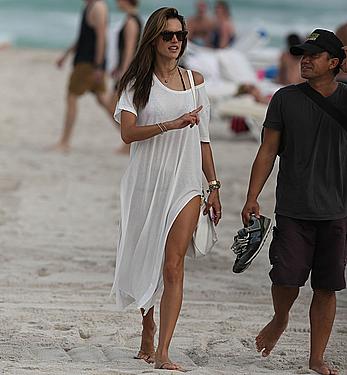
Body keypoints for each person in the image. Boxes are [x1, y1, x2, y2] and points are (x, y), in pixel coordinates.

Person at [110, 7, 222, 371]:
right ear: (153, 39)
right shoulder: (136, 83)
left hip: (185, 182)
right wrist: (169, 125)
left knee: (173, 267)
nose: (175, 41)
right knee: (145, 257)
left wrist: (214, 186)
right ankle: (147, 325)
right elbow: (128, 133)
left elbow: (203, 140)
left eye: (180, 35)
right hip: (146, 182)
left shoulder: (195, 81)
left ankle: (164, 350)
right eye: (167, 35)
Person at [241, 29, 346, 375]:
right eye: (303, 54)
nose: (305, 59)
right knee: (284, 277)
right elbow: (268, 150)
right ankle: (281, 317)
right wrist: (252, 196)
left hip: (338, 210)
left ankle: (316, 357)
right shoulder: (284, 99)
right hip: (293, 206)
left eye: (315, 55)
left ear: (334, 63)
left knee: (327, 286)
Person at [54, 0, 112, 152]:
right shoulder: (89, 6)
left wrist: (99, 66)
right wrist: (66, 55)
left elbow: (102, 38)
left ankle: (64, 141)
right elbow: (83, 38)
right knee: (103, 99)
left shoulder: (98, 7)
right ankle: (128, 136)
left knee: (71, 97)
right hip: (88, 62)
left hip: (88, 63)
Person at [110, 0, 142, 104]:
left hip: (129, 71)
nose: (117, 2)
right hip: (130, 69)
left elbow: (129, 50)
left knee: (113, 104)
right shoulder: (133, 18)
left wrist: (123, 73)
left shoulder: (131, 21)